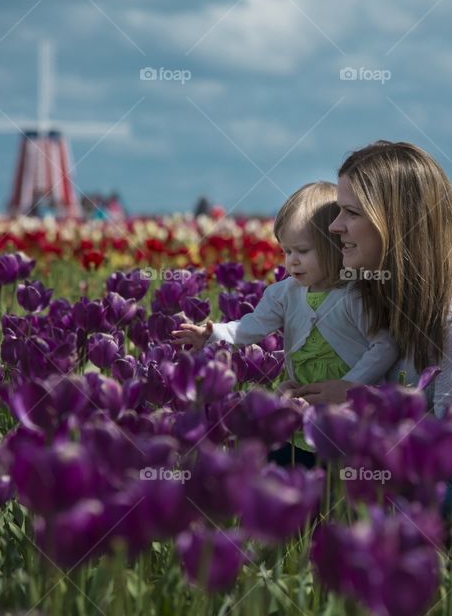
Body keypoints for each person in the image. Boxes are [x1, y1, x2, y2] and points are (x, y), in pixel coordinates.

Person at [286, 141, 452, 539]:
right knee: (287, 464)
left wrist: (360, 417)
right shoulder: (385, 286)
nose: (334, 225)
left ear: (398, 222)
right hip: (431, 458)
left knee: (361, 502)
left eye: (351, 212)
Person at [171, 181, 400, 461]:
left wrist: (352, 385)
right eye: (286, 251)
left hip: (347, 403)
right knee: (294, 454)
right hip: (301, 398)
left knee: (342, 462)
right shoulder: (283, 293)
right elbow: (252, 326)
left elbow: (385, 345)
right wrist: (214, 333)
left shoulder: (355, 295)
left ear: (335, 247)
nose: (291, 262)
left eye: (302, 251)